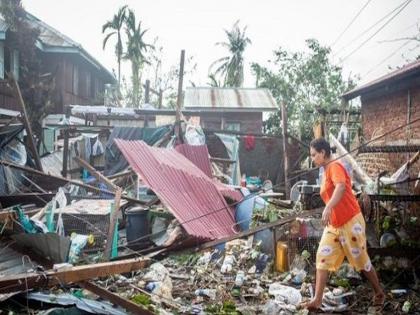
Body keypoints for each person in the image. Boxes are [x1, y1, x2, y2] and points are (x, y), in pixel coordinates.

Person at [303, 138, 384, 310]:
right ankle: (317, 300)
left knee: (361, 260)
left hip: (350, 221)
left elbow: (340, 187)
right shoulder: (326, 170)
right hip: (334, 225)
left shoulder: (335, 167)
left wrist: (328, 208)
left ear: (323, 153)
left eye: (314, 155)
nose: (312, 158)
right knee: (322, 257)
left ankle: (379, 292)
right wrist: (330, 210)